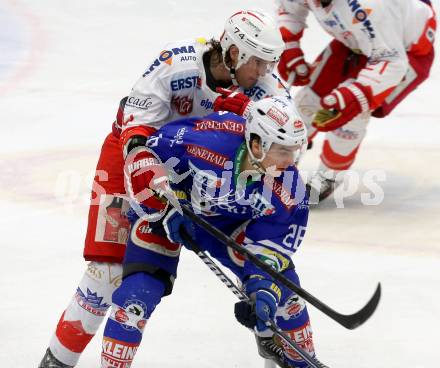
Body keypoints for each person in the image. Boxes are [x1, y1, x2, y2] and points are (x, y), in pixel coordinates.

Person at [39, 10, 291, 368]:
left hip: (205, 173)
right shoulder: (177, 63)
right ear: (235, 53)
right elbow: (135, 133)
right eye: (260, 63)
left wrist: (253, 116)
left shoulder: (263, 89)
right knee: (106, 275)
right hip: (134, 160)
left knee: (265, 275)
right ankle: (55, 363)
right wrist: (148, 173)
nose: (265, 72)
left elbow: (290, 137)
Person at [100, 96, 315, 368]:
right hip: (171, 215)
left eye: (294, 151)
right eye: (283, 151)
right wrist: (165, 206)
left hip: (224, 226)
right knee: (137, 296)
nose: (291, 160)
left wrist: (263, 292)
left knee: (287, 295)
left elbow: (271, 244)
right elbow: (143, 163)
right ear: (257, 144)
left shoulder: (290, 189)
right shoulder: (208, 140)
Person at [274, 0, 436, 202]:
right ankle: (277, 165)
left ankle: (328, 177)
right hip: (355, 41)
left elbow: (392, 60)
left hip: (406, 52)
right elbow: (289, 9)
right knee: (308, 103)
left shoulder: (373, 5)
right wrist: (289, 46)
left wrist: (357, 96)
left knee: (351, 114)